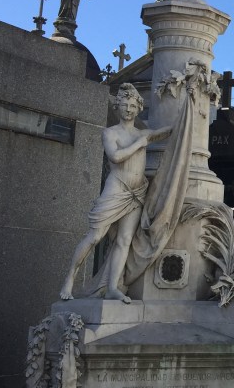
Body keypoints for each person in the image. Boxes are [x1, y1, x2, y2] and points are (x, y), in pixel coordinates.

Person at [59, 84, 171, 302]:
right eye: (125, 105)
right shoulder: (110, 133)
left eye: (133, 106)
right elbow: (115, 157)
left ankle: (112, 287)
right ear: (117, 106)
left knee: (124, 240)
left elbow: (164, 132)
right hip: (117, 187)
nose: (129, 109)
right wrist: (140, 144)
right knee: (95, 236)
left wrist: (188, 115)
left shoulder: (142, 133)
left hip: (137, 192)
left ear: (139, 108)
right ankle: (70, 279)